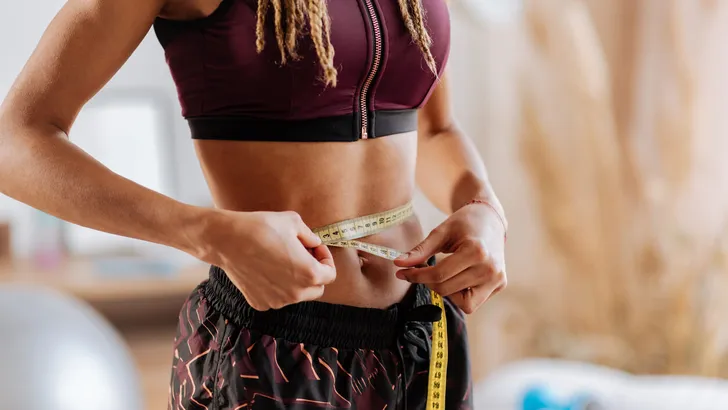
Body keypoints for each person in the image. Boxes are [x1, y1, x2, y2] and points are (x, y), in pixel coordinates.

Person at [0, 0, 508, 408]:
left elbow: (436, 127)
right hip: (269, 347)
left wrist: (482, 207)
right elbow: (15, 143)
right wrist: (205, 233)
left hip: (420, 335)